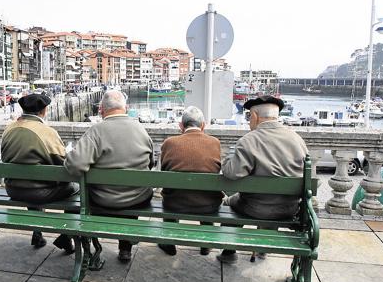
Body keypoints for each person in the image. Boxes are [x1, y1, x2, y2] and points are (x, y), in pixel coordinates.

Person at [64, 90, 154, 262]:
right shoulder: (141, 130)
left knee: (75, 196)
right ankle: (125, 248)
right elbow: (151, 163)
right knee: (132, 189)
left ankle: (81, 242)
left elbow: (75, 166)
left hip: (103, 199)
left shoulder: (96, 132)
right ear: (125, 108)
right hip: (138, 199)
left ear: (101, 110)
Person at [218, 96, 308, 264]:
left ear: (254, 116)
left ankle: (229, 252)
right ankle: (262, 249)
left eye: (248, 117)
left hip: (254, 208)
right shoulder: (297, 140)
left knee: (230, 202)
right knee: (272, 200)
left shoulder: (249, 140)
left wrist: (227, 159)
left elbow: (231, 173)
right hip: (288, 209)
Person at [1, 93, 78, 254]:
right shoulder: (46, 131)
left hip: (13, 189)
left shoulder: (9, 129)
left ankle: (37, 232)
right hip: (39, 193)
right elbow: (64, 164)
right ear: (44, 111)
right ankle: (66, 235)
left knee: (29, 180)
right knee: (77, 189)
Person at [157, 106, 222, 256]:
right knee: (206, 194)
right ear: (203, 125)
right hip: (207, 205)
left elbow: (164, 172)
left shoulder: (169, 143)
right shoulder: (215, 142)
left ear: (181, 126)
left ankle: (169, 243)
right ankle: (206, 242)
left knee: (171, 194)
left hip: (175, 204)